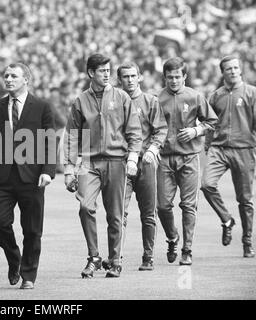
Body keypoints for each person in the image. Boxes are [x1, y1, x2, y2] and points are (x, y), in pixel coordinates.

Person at [63, 53, 142, 278]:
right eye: (102, 71)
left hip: (117, 161)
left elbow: (134, 131)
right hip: (89, 162)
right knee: (85, 206)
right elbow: (71, 135)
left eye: (108, 70)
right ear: (91, 73)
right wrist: (69, 169)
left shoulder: (122, 97)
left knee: (115, 215)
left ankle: (115, 260)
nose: (107, 74)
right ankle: (94, 257)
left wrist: (133, 157)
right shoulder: (80, 101)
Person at [0, 62, 56, 290]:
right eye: (6, 75)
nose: (9, 79)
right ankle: (15, 259)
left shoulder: (42, 107)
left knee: (32, 230)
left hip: (32, 178)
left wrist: (48, 171)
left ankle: (29, 275)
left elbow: (49, 141)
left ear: (26, 80)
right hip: (2, 178)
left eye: (14, 76)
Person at [157, 57, 217, 266]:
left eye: (177, 77)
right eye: (169, 77)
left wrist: (196, 130)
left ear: (184, 76)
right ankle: (173, 237)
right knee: (163, 206)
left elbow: (212, 121)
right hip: (164, 159)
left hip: (189, 157)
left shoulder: (195, 96)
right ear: (164, 77)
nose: (173, 80)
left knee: (188, 205)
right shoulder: (157, 99)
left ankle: (187, 249)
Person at [201, 55, 256, 258]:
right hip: (219, 148)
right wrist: (207, 144)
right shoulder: (216, 96)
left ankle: (247, 242)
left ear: (240, 70)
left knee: (245, 200)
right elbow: (209, 123)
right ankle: (227, 218)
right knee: (206, 184)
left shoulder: (251, 93)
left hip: (244, 149)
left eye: (235, 68)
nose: (232, 71)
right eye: (228, 69)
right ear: (222, 72)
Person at [115, 62, 168, 271]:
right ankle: (116, 256)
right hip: (121, 163)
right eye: (125, 76)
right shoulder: (115, 103)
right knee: (120, 212)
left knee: (148, 213)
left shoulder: (150, 101)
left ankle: (148, 256)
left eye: (132, 76)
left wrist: (154, 149)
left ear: (140, 78)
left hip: (145, 162)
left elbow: (161, 129)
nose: (129, 79)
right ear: (119, 80)